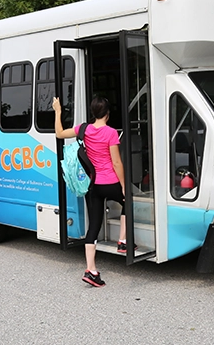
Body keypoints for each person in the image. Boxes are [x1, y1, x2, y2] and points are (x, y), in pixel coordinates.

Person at [53, 95, 129, 288]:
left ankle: (91, 270)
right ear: (108, 114)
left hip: (92, 185)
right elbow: (116, 162)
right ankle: (122, 241)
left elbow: (60, 134)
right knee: (127, 202)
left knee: (93, 227)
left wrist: (58, 111)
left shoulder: (83, 129)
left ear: (93, 113)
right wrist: (123, 185)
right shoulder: (111, 133)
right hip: (110, 182)